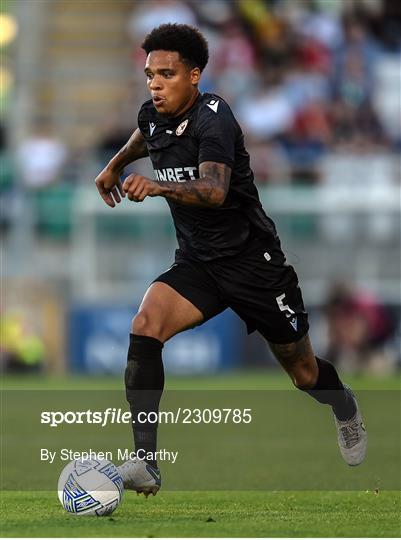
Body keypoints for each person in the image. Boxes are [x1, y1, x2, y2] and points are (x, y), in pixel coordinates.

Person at [94, 23, 367, 497]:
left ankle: (344, 406)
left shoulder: (214, 117)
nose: (154, 84)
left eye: (166, 74)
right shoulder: (152, 114)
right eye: (149, 75)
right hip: (198, 264)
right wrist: (117, 163)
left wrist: (157, 186)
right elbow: (146, 134)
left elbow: (216, 192)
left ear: (194, 76)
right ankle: (145, 462)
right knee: (145, 325)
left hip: (254, 263)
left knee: (303, 374)